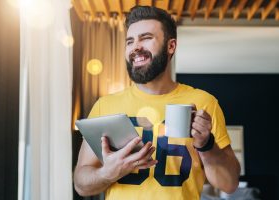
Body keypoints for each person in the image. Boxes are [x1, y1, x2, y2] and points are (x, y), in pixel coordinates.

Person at [74, 6, 240, 200]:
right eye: (130, 41)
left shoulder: (204, 103)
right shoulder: (105, 106)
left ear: (171, 46)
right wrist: (107, 172)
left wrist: (207, 145)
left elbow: (229, 184)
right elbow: (81, 184)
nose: (135, 46)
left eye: (145, 38)